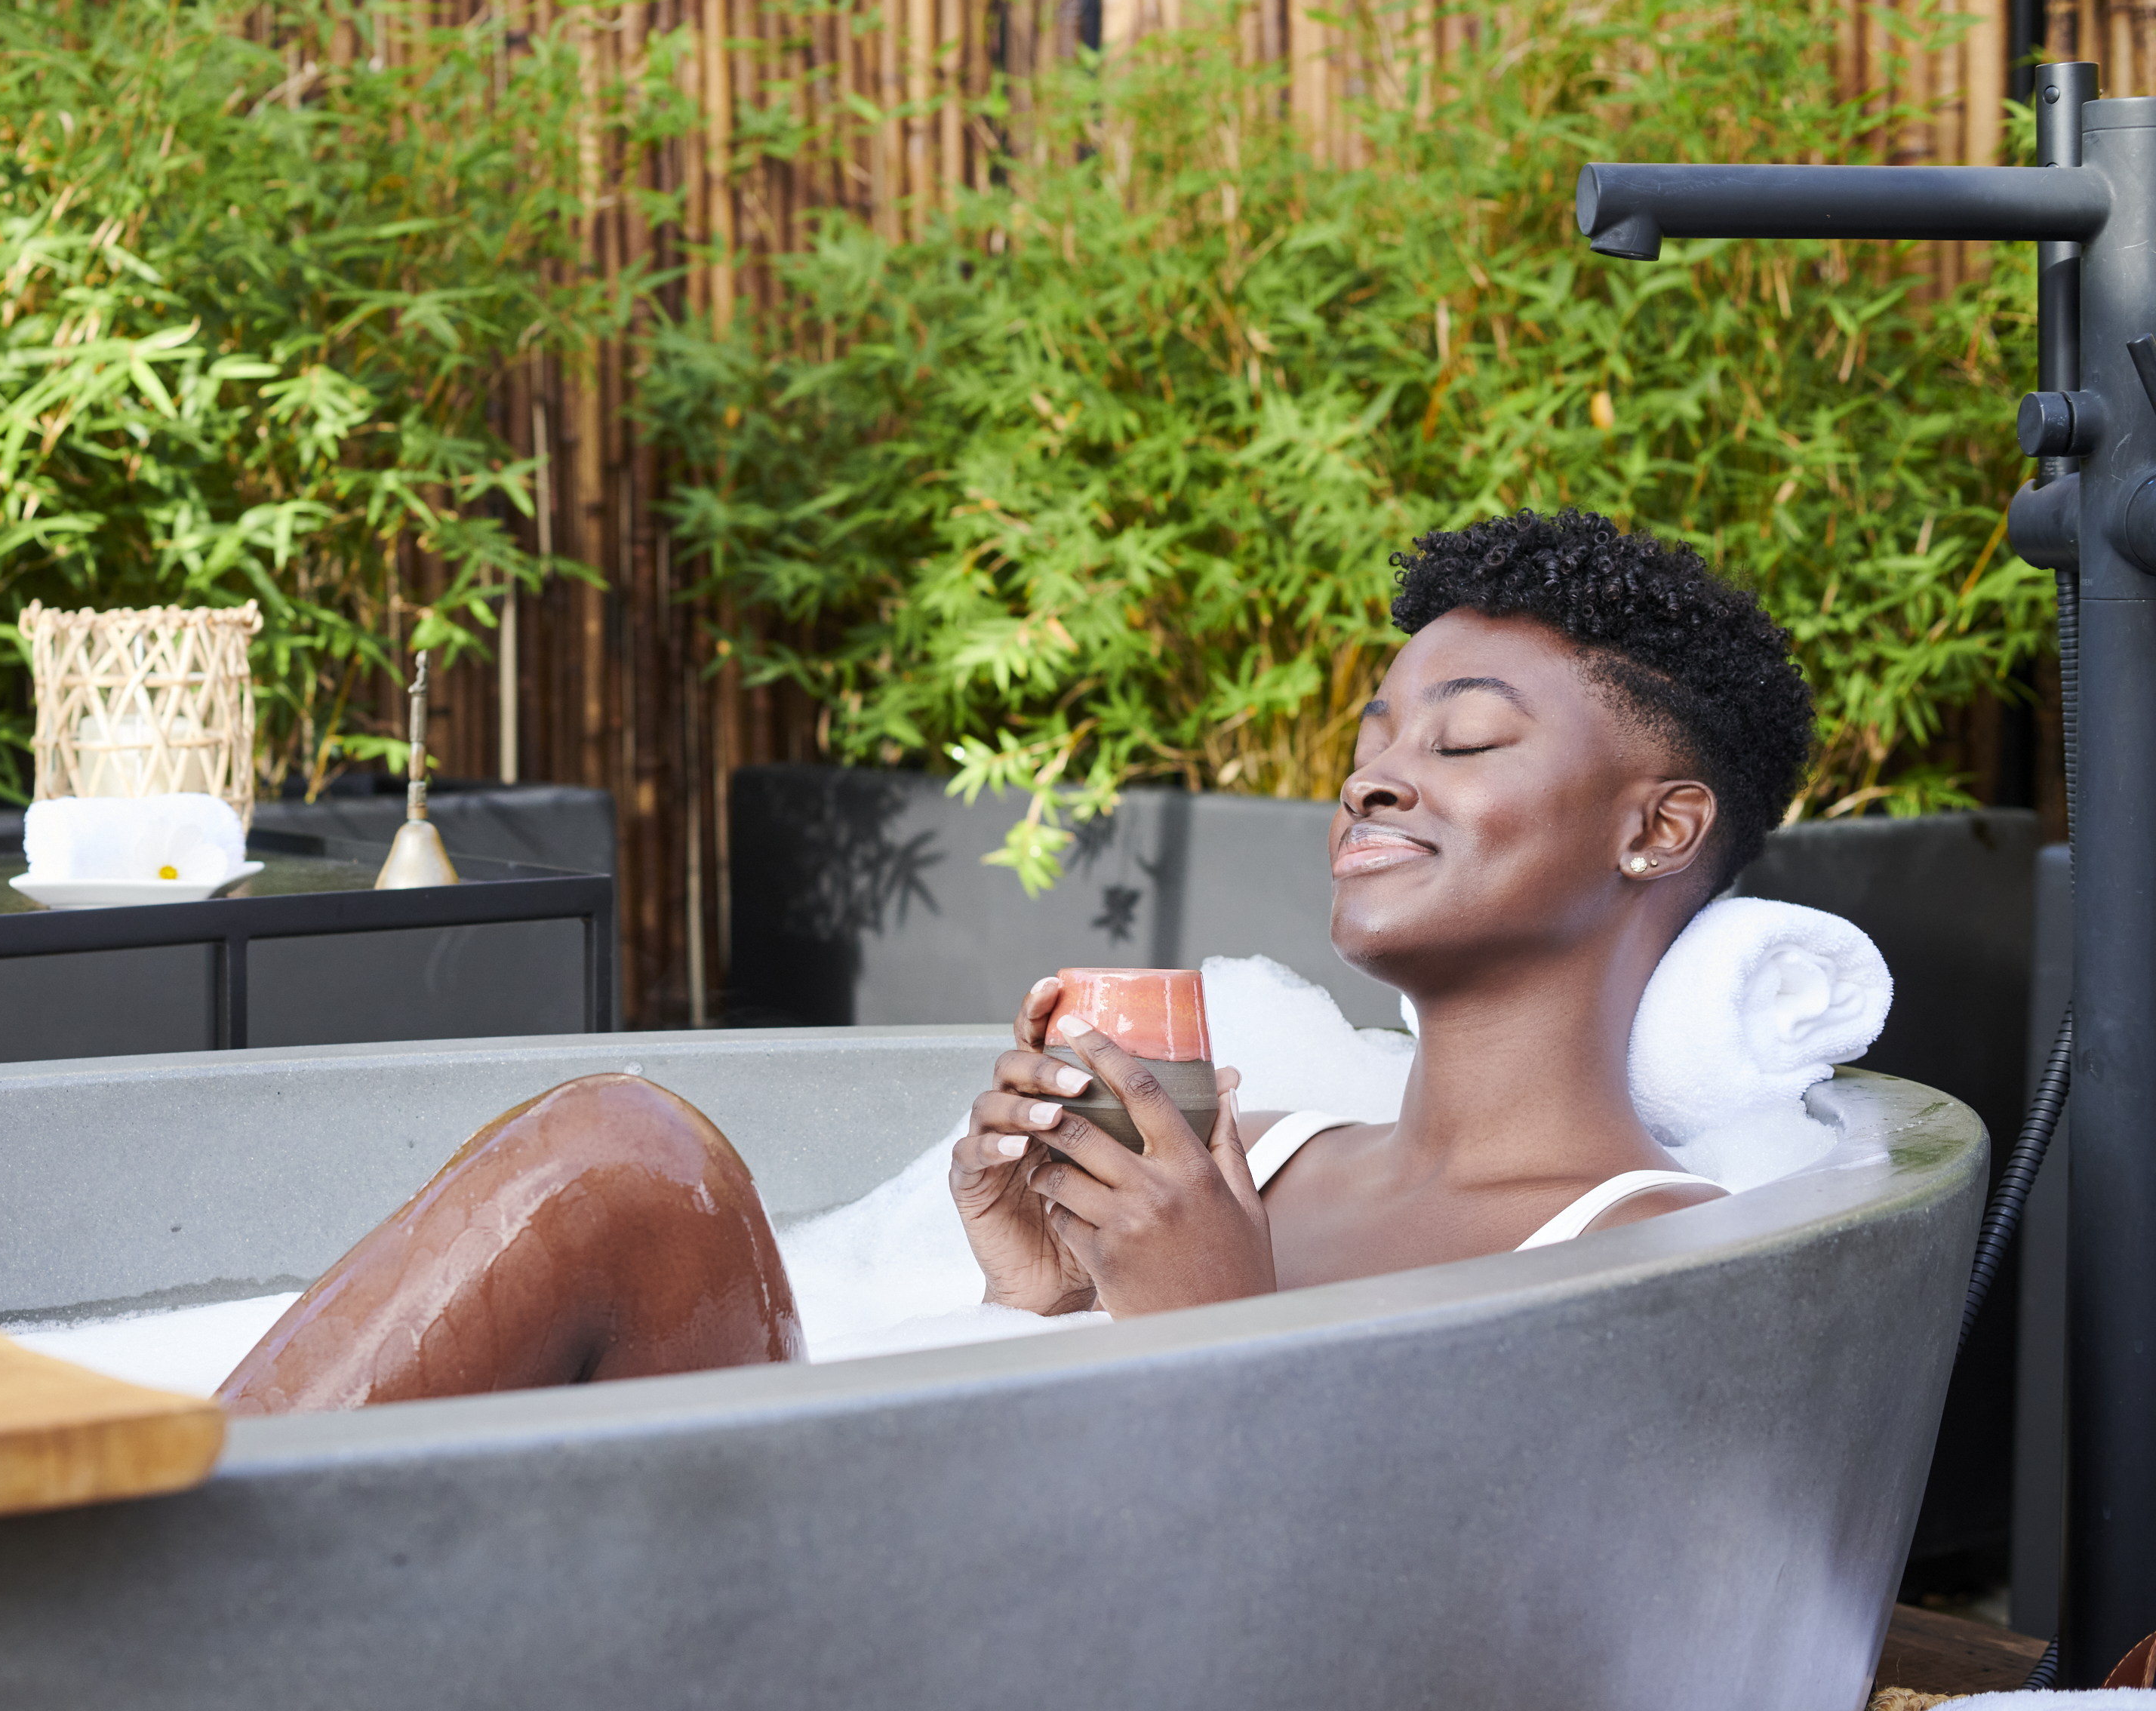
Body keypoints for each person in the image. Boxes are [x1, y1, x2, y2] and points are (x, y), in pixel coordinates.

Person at [220, 510, 1814, 1414]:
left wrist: (1215, 1327)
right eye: (1374, 731)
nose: (1374, 776)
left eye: (1464, 737)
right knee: (616, 1155)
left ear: (1659, 828)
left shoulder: (1658, 1250)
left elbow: (1466, 1653)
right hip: (916, 1598)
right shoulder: (1255, 1158)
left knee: (623, 1168)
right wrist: (1027, 1296)